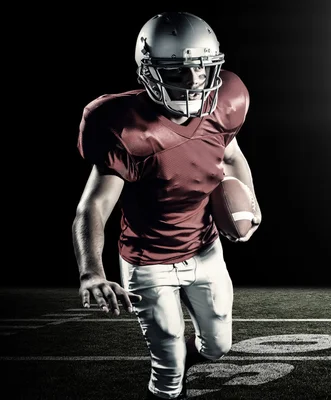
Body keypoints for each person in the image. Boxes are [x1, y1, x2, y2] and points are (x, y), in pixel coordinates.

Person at [72, 11, 261, 399]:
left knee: (218, 347)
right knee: (169, 368)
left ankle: (180, 360)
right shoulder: (125, 126)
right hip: (148, 261)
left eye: (201, 69)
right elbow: (92, 207)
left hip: (205, 248)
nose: (193, 82)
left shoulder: (225, 101)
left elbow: (231, 155)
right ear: (149, 72)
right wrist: (91, 271)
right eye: (177, 72)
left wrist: (250, 200)